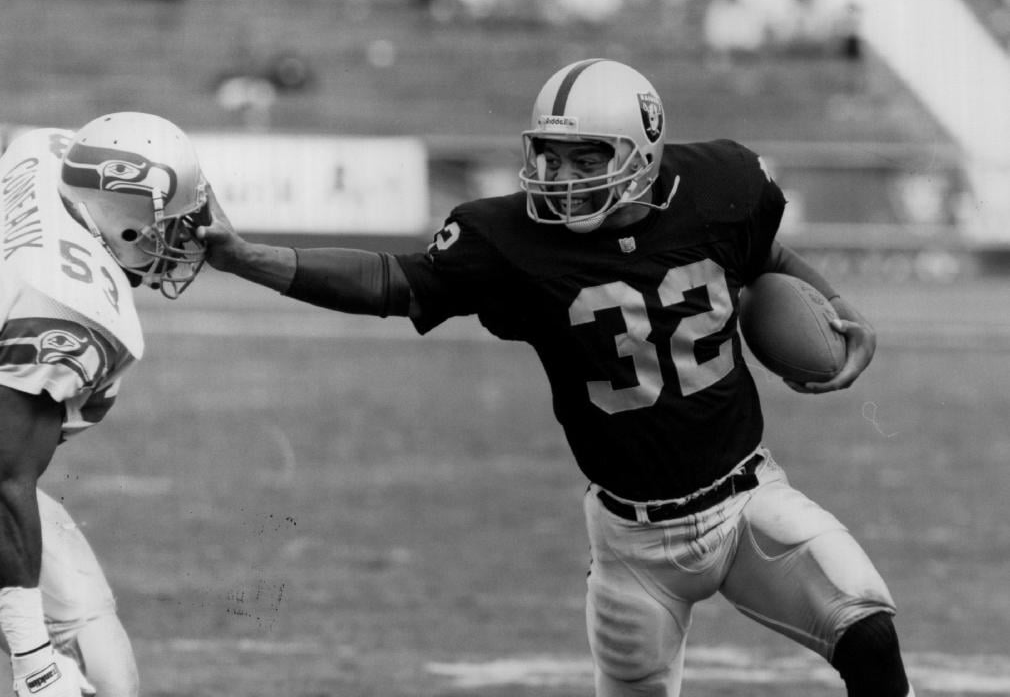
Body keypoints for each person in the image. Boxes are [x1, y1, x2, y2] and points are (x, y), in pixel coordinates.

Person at [198, 58, 915, 697]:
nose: (561, 179)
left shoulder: (719, 184)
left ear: (641, 154)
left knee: (869, 634)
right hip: (634, 548)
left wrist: (840, 309)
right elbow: (392, 284)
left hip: (747, 504)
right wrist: (250, 258)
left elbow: (765, 256)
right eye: (548, 157)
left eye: (584, 158)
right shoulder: (506, 241)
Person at [0, 112, 211, 696]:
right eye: (165, 223)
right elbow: (3, 477)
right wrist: (31, 656)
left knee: (90, 630)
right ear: (120, 215)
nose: (180, 236)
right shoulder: (70, 305)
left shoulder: (48, 153)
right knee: (68, 647)